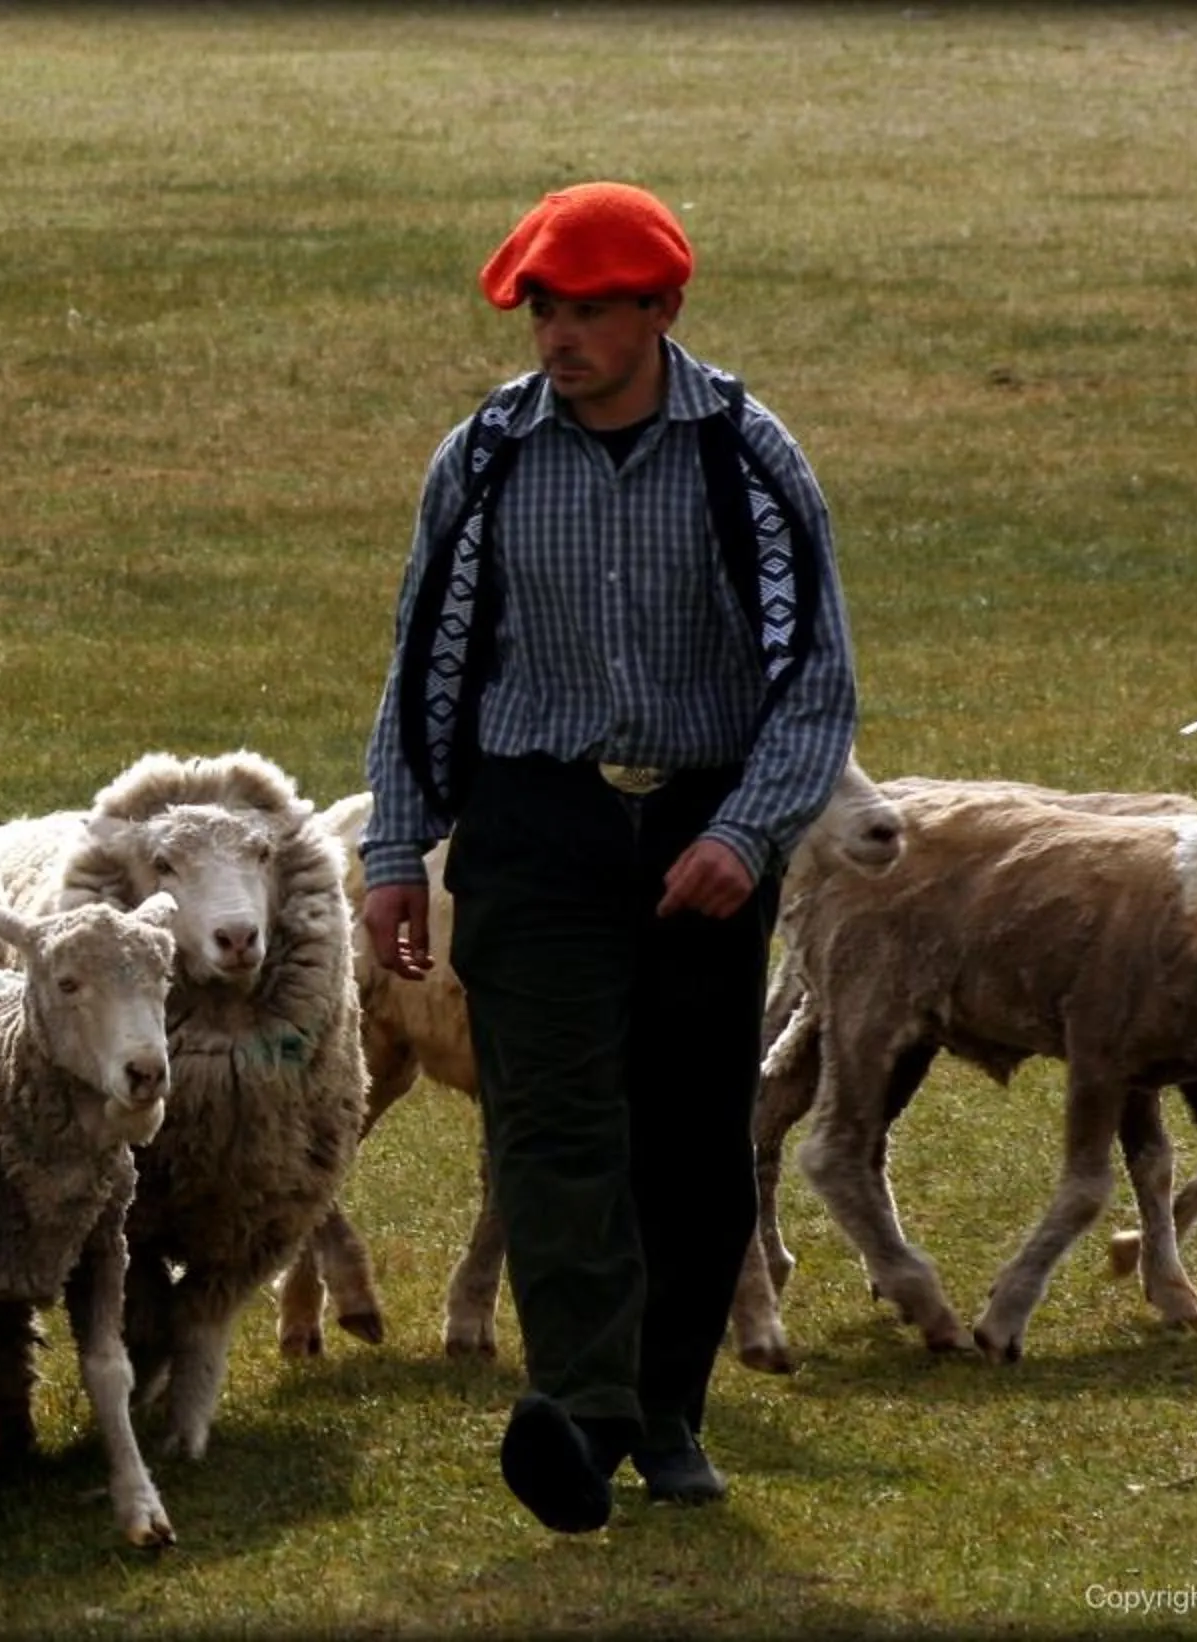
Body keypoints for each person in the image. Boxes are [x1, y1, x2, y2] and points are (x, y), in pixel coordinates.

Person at [358, 181, 859, 1533]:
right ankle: (584, 1411)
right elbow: (421, 668)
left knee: (693, 1132)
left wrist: (745, 833)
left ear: (663, 310)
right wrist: (396, 845)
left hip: (704, 824)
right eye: (544, 311)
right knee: (553, 1118)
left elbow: (816, 679)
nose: (560, 338)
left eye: (590, 311)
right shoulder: (484, 460)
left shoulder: (747, 459)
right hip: (536, 819)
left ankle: (670, 1406)